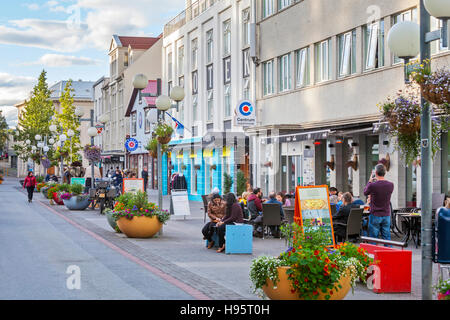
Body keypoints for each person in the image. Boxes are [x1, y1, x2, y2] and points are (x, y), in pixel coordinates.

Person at [364, 164, 394, 241]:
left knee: (374, 238)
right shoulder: (391, 185)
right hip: (386, 214)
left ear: (376, 173)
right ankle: (388, 251)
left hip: (375, 214)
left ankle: (374, 253)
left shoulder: (373, 185)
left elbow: (365, 192)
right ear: (385, 173)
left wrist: (370, 181)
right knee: (387, 237)